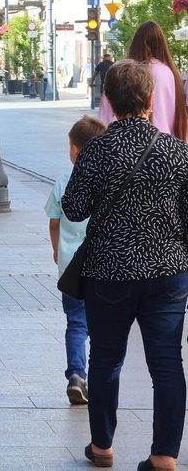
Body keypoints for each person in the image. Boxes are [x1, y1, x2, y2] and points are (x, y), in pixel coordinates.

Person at [63, 60, 188, 471]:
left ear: (110, 101)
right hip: (168, 271)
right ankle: (165, 455)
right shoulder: (175, 150)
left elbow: (75, 209)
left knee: (106, 358)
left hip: (109, 272)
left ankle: (102, 448)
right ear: (151, 99)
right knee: (167, 361)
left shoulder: (97, 148)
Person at [44, 115, 106, 406]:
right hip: (101, 267)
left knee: (75, 323)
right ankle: (95, 378)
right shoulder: (107, 182)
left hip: (70, 268)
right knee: (100, 325)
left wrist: (57, 250)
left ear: (76, 150)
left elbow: (54, 223)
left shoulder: (62, 182)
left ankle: (76, 375)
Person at [98, 21, 187, 141]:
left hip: (128, 141)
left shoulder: (126, 74)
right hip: (165, 144)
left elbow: (105, 117)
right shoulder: (169, 72)